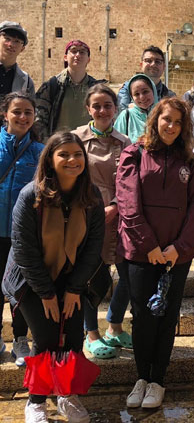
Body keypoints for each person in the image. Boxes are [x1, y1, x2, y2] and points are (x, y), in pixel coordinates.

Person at [2, 132, 105, 423]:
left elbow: (93, 248)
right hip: (31, 279)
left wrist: (73, 290)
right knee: (46, 337)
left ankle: (66, 395)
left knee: (72, 336)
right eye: (64, 155)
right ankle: (35, 402)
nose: (72, 160)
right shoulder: (30, 195)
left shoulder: (92, 196)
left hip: (72, 278)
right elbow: (23, 249)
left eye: (78, 154)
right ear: (50, 159)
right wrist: (46, 294)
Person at [116, 97, 194, 409]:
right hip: (141, 253)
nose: (171, 126)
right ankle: (141, 377)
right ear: (155, 120)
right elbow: (128, 204)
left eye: (178, 122)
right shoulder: (135, 153)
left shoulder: (189, 162)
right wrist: (150, 246)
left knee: (167, 317)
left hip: (174, 258)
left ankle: (158, 379)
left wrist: (177, 250)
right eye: (167, 119)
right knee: (142, 317)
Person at [72, 84, 131, 359]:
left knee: (129, 275)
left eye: (107, 105)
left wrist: (117, 205)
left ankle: (115, 326)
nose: (102, 110)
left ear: (115, 108)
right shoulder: (75, 140)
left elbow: (131, 181)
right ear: (88, 109)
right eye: (96, 105)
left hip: (121, 217)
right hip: (87, 218)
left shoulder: (125, 142)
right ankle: (91, 333)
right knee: (91, 277)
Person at [0, 92, 43, 365]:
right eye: (17, 111)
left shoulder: (40, 151)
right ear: (5, 113)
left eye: (28, 112)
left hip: (22, 233)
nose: (23, 117)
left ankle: (19, 339)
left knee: (20, 289)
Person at [35, 40, 106, 140]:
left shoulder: (95, 89)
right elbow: (39, 118)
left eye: (82, 52)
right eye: (73, 51)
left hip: (88, 146)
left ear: (88, 59)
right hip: (58, 145)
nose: (78, 55)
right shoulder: (52, 86)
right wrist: (46, 143)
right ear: (65, 57)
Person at [117, 45, 175, 111]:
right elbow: (120, 111)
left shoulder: (169, 96)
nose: (153, 64)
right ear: (141, 65)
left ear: (164, 67)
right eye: (148, 60)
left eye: (158, 61)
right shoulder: (127, 89)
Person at [113, 73, 159, 143]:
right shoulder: (126, 116)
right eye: (136, 94)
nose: (142, 97)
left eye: (145, 92)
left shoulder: (162, 115)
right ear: (132, 97)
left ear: (153, 91)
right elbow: (115, 144)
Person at [0, 21, 34, 97]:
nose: (11, 45)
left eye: (17, 41)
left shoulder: (26, 82)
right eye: (7, 39)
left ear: (22, 49)